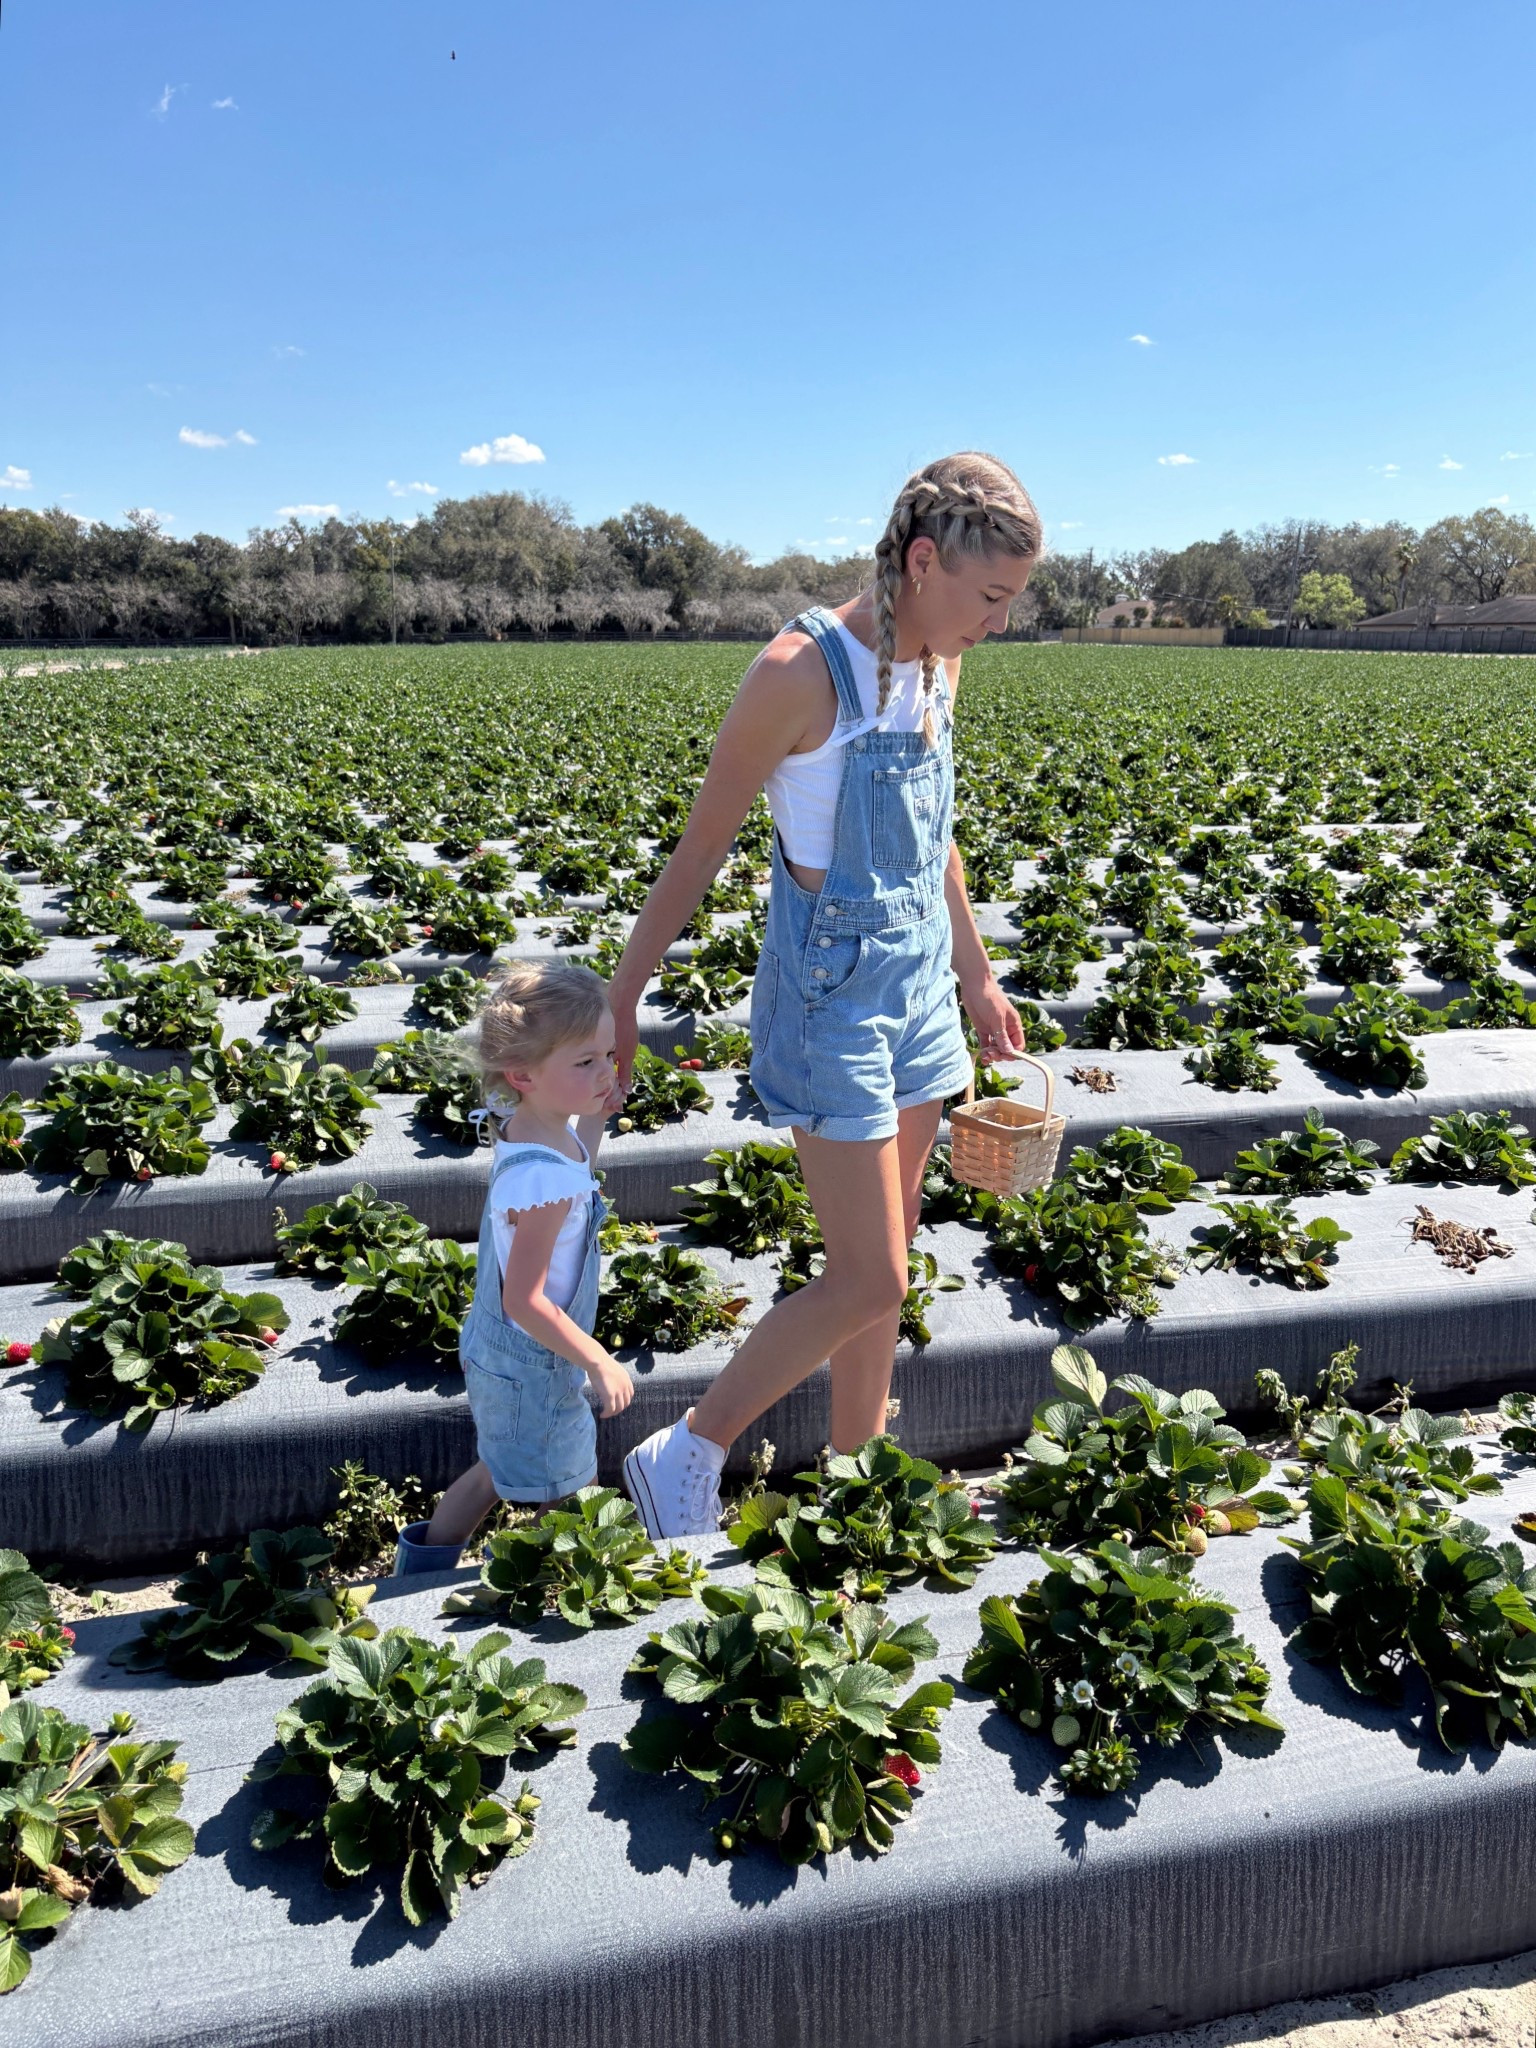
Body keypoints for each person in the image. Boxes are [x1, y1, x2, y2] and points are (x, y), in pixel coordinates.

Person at [611, 450, 1042, 1540]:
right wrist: (621, 997)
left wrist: (975, 967)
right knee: (866, 1270)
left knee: (887, 1272)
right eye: (990, 598)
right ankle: (687, 1449)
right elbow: (700, 849)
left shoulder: (941, 665)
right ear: (924, 558)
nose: (997, 623)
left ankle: (859, 1473)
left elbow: (934, 840)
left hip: (916, 991)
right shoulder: (800, 673)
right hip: (830, 997)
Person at [392, 960, 632, 1574]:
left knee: (500, 1470)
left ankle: (418, 1571)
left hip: (513, 1354)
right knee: (558, 1484)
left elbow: (580, 1157)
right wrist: (597, 1359)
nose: (606, 1071)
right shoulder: (543, 1182)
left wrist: (598, 1105)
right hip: (532, 1359)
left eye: (609, 1053)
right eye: (586, 1063)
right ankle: (571, 1583)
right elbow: (526, 1299)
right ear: (523, 1074)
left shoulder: (533, 1129)